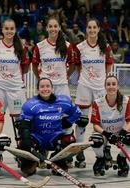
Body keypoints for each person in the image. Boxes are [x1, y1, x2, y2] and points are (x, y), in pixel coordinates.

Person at [69, 18, 114, 168]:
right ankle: (79, 149)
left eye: (95, 27)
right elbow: (76, 66)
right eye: (89, 27)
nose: (92, 30)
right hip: (84, 87)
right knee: (82, 119)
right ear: (86, 29)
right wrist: (86, 77)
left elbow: (109, 64)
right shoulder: (80, 47)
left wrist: (101, 78)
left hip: (100, 88)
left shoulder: (105, 47)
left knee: (103, 120)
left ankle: (105, 148)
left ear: (98, 29)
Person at [18, 77, 81, 176]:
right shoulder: (30, 104)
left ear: (52, 88)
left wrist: (69, 121)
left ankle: (57, 160)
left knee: (70, 140)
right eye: (42, 86)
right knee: (27, 170)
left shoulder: (64, 101)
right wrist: (25, 139)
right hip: (37, 139)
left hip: (56, 139)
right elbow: (24, 125)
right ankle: (33, 161)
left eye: (48, 86)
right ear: (38, 89)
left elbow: (77, 112)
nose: (45, 89)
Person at [0, 18, 30, 117]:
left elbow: (26, 67)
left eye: (11, 29)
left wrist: (13, 77)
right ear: (2, 30)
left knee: (20, 121)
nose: (9, 31)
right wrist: (1, 75)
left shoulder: (22, 47)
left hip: (16, 88)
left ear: (15, 30)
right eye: (6, 28)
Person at [90, 75, 130, 177]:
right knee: (95, 139)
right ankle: (101, 158)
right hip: (104, 132)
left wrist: (123, 133)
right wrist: (106, 134)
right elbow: (95, 125)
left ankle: (121, 158)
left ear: (117, 86)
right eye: (108, 84)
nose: (111, 86)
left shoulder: (126, 101)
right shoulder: (98, 103)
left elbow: (129, 121)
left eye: (113, 84)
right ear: (105, 86)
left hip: (120, 131)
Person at [32, 17, 73, 97]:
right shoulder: (39, 46)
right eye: (50, 26)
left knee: (65, 109)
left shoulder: (67, 46)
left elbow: (72, 65)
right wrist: (40, 78)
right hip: (45, 86)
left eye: (55, 26)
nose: (53, 29)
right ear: (47, 28)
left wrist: (66, 75)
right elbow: (34, 66)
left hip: (62, 86)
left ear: (59, 28)